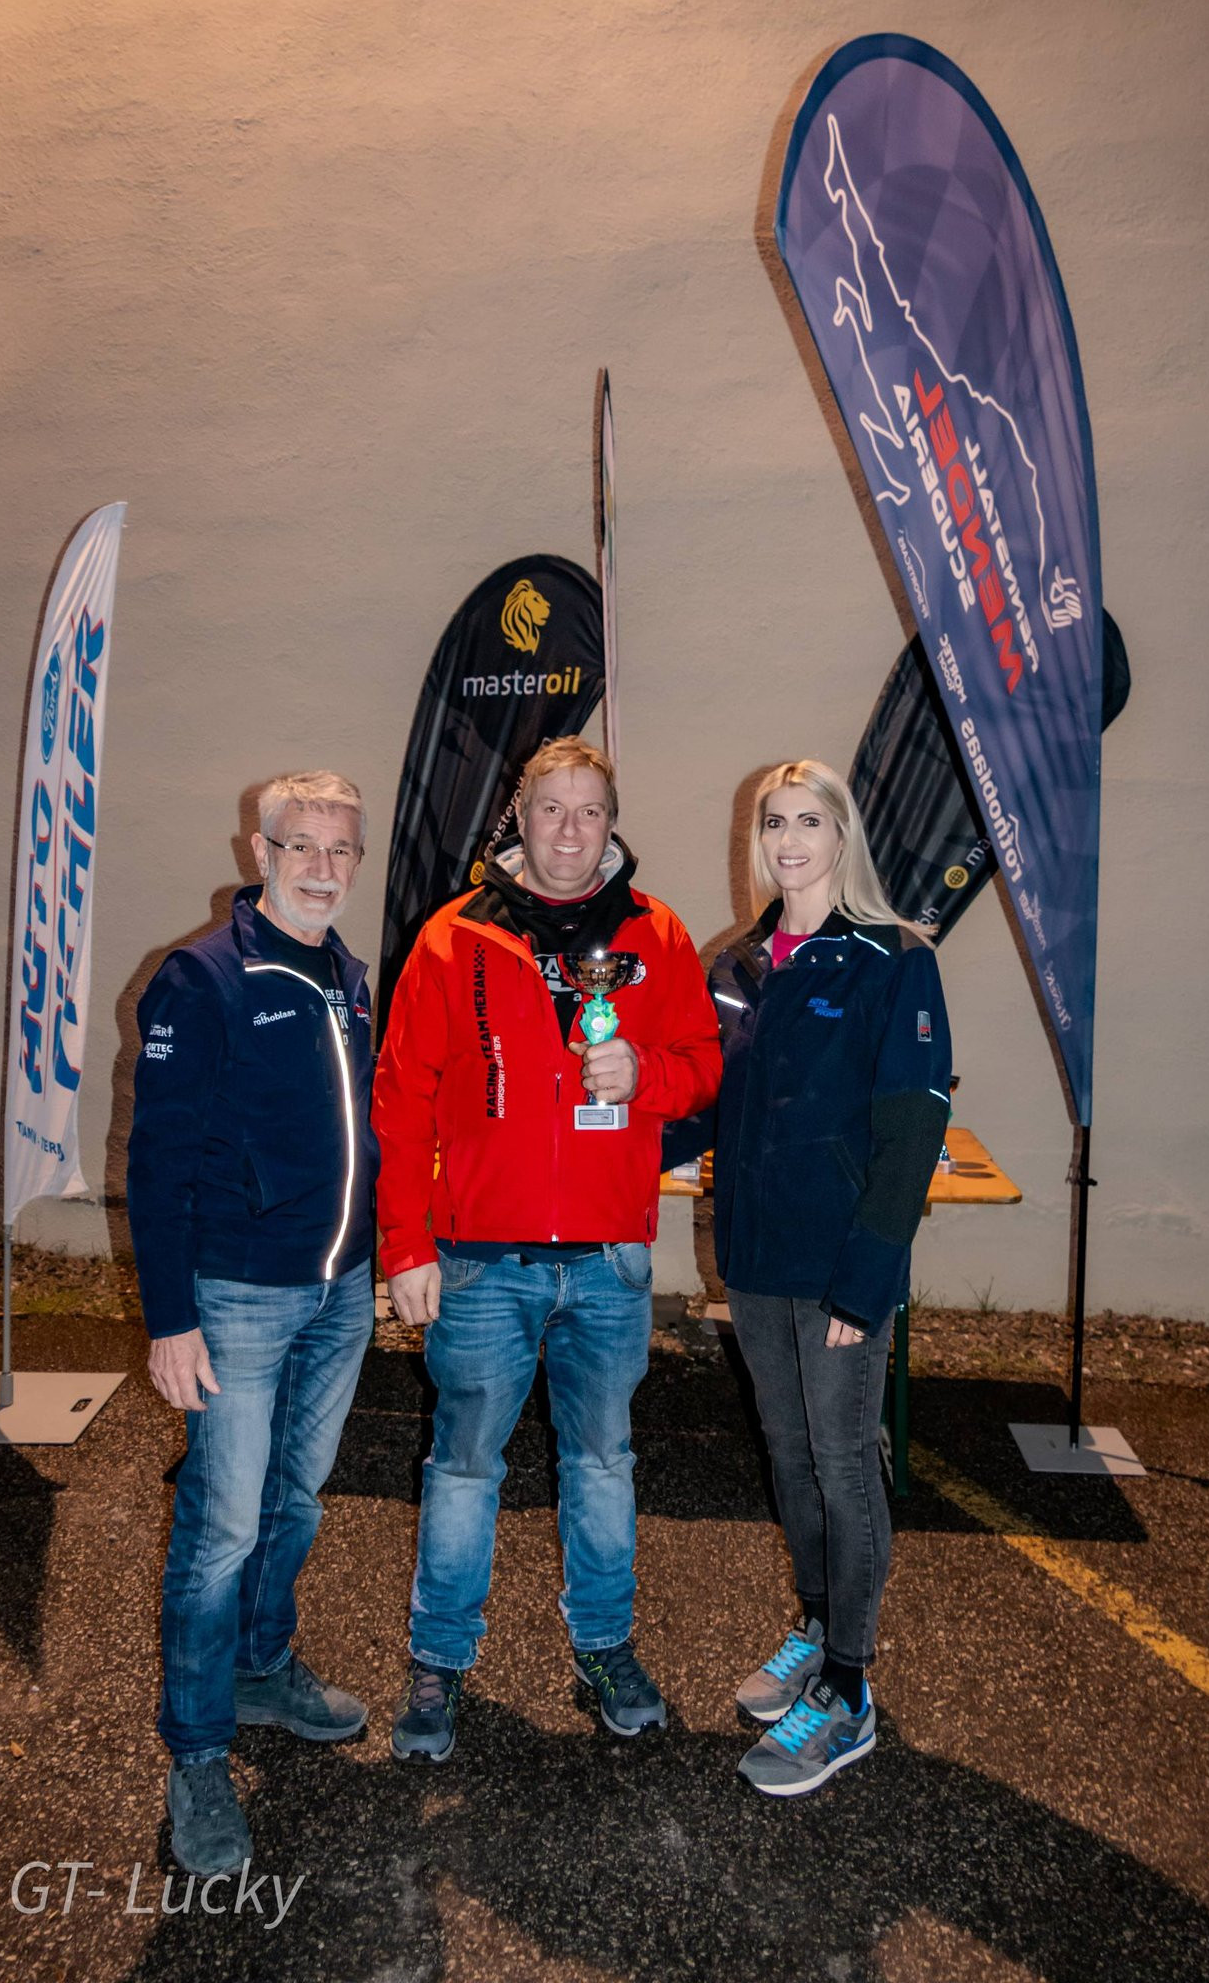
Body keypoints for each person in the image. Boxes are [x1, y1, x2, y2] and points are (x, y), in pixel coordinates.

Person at [372, 736, 721, 1762]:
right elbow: (400, 1102)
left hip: (608, 1261)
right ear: (517, 818)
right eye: (551, 809)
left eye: (589, 810)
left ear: (612, 823)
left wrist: (645, 1074)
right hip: (480, 1257)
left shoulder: (657, 933)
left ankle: (605, 1646)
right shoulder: (453, 937)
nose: (570, 830)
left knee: (603, 1462)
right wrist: (405, 1245)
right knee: (462, 1467)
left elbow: (704, 1066)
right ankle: (439, 1659)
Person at [665, 759, 951, 1798]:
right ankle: (819, 1624)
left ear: (842, 835)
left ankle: (848, 1686)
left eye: (808, 821)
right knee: (789, 1455)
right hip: (753, 1257)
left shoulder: (893, 959)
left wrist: (867, 1280)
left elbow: (913, 1130)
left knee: (841, 1461)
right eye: (773, 822)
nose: (788, 840)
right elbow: (711, 1105)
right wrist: (608, 1134)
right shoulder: (736, 963)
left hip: (838, 1266)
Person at [128, 771, 379, 1874]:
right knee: (220, 1527)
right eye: (301, 845)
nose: (322, 867)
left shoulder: (348, 979)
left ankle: (263, 1666)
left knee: (295, 1499)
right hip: (237, 1296)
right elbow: (156, 1160)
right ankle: (196, 1751)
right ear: (260, 850)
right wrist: (171, 1318)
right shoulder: (203, 979)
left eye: (340, 848)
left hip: (340, 1293)